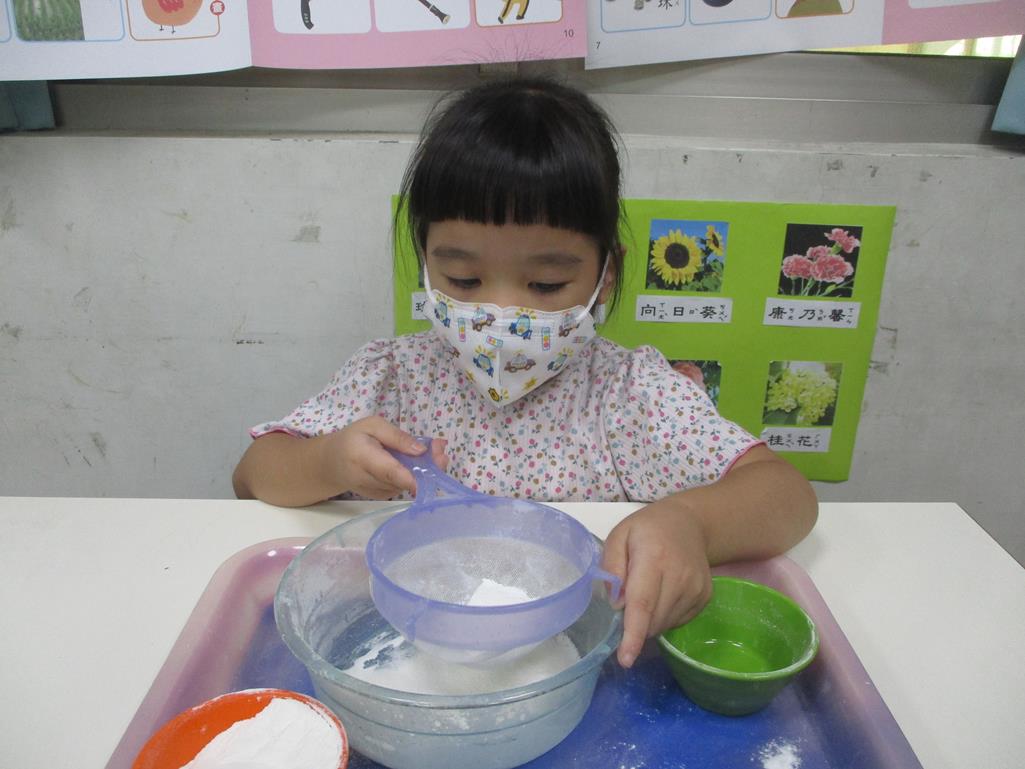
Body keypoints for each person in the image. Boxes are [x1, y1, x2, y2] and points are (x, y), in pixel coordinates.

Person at [232, 77, 817, 669]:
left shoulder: (627, 393)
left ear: (606, 276)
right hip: (409, 653)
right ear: (426, 262)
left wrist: (690, 522)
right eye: (463, 280)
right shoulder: (392, 377)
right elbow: (254, 475)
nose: (503, 314)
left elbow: (787, 495)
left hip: (574, 656)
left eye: (545, 284)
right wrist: (328, 462)